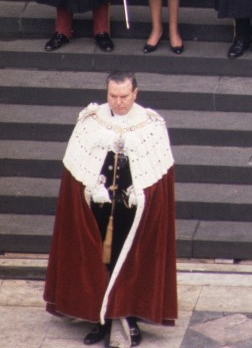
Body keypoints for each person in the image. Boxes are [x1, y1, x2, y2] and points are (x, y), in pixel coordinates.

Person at [44, 71, 176, 347]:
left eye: (124, 96)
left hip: (133, 207)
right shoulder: (91, 121)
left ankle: (126, 316)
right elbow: (77, 164)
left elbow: (158, 171)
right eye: (112, 96)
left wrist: (142, 192)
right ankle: (100, 318)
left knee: (128, 259)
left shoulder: (151, 125)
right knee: (97, 259)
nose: (118, 102)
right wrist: (91, 187)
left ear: (135, 93)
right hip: (97, 206)